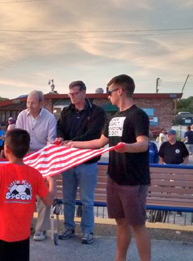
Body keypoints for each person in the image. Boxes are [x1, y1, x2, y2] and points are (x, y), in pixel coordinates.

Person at [66, 74, 151, 261]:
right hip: (114, 178)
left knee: (137, 225)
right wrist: (72, 143)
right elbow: (99, 142)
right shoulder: (113, 118)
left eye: (109, 91)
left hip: (133, 180)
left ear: (120, 91)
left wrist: (126, 147)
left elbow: (143, 144)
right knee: (121, 223)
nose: (107, 96)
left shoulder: (138, 115)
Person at [0, 129, 56, 261]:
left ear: (6, 149)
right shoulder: (35, 174)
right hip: (22, 236)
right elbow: (49, 200)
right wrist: (52, 181)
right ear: (27, 150)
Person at [55, 80, 106, 244]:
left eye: (74, 93)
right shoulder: (66, 111)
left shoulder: (97, 112)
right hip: (68, 162)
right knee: (67, 198)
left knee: (86, 200)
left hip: (87, 162)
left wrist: (70, 142)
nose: (71, 96)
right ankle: (68, 227)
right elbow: (59, 127)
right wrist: (60, 137)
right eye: (69, 94)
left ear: (84, 93)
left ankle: (87, 231)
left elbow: (93, 135)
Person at [15, 90, 56, 241]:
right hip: (25, 157)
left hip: (43, 157)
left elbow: (50, 142)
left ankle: (41, 229)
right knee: (23, 193)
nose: (29, 106)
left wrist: (45, 163)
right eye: (28, 102)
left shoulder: (50, 118)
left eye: (33, 103)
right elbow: (18, 137)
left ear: (41, 103)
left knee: (43, 194)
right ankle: (26, 225)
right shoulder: (21, 116)